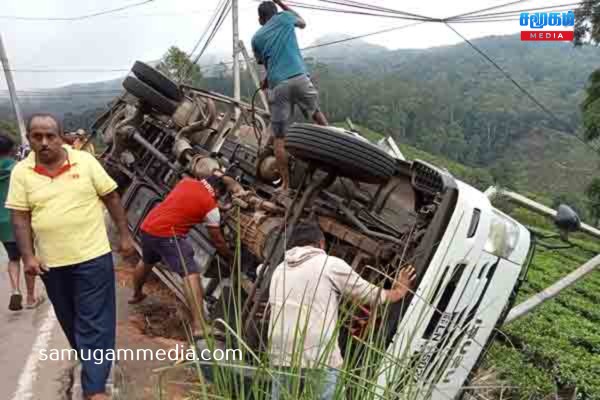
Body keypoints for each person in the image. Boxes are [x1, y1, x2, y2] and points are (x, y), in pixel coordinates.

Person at [6, 113, 136, 400]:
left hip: (93, 257)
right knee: (70, 320)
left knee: (94, 321)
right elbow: (20, 218)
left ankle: (94, 389)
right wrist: (28, 256)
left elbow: (111, 197)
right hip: (52, 264)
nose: (43, 142)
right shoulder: (21, 173)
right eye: (36, 136)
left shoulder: (86, 162)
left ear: (61, 135)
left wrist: (125, 236)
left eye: (50, 135)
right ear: (29, 138)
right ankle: (93, 363)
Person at [268, 221, 416, 400]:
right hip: (318, 354)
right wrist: (399, 290)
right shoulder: (329, 264)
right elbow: (369, 295)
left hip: (280, 351)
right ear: (320, 243)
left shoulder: (279, 270)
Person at [128, 171, 234, 342]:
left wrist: (216, 206)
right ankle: (199, 326)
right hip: (168, 235)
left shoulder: (186, 182)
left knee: (146, 261)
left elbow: (190, 199)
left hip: (149, 226)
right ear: (218, 192)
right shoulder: (210, 207)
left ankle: (136, 294)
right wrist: (230, 257)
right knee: (190, 274)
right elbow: (218, 242)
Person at [252, 0, 329, 192]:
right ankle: (336, 148)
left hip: (279, 85)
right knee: (317, 115)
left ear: (261, 18)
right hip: (299, 77)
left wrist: (268, 79)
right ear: (276, 12)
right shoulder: (285, 18)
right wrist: (283, 4)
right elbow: (302, 22)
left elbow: (268, 61)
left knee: (279, 138)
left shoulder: (256, 38)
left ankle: (285, 186)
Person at [0, 133, 43, 311]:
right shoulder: (18, 169)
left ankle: (15, 290)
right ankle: (31, 298)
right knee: (28, 257)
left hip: (1, 222)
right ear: (12, 149)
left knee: (13, 258)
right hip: (19, 218)